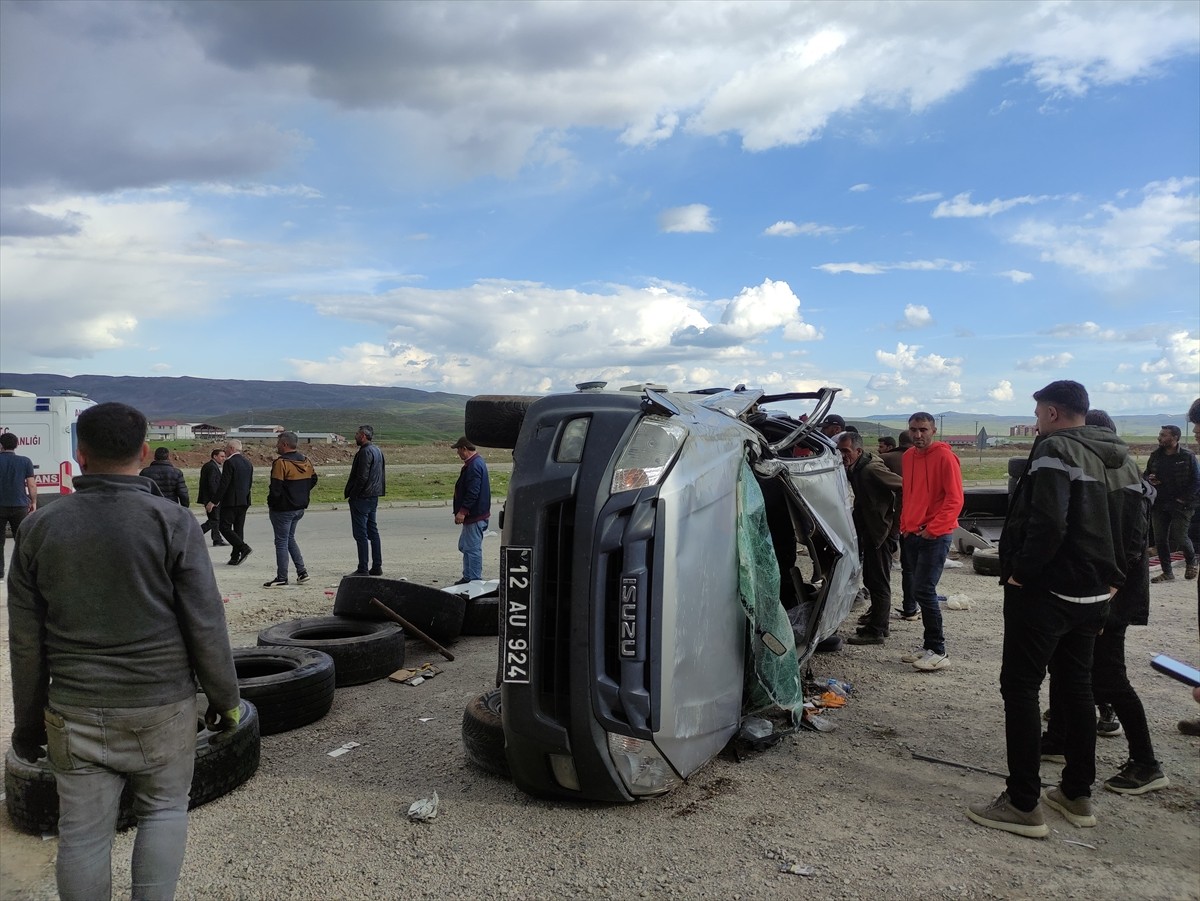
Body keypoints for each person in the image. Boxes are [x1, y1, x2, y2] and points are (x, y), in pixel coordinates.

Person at [7, 401, 240, 900]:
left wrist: (27, 724)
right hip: (162, 707)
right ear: (143, 452)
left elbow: (25, 641)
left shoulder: (38, 527)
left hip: (74, 711)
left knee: (82, 835)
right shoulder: (172, 521)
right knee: (163, 811)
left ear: (79, 454)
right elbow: (206, 624)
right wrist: (225, 700)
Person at [967, 381, 1141, 839]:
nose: (1037, 422)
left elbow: (1048, 521)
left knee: (1020, 688)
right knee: (1077, 686)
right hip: (1094, 595)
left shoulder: (1054, 450)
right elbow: (1136, 526)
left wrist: (1021, 573)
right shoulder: (1123, 457)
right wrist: (1115, 579)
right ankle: (1076, 793)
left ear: (1050, 412)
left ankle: (1023, 803)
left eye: (1037, 414)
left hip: (1045, 592)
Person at [1041, 409, 1167, 794]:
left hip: (1111, 599)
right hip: (1092, 593)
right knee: (1065, 665)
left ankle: (1146, 763)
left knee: (1109, 677)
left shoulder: (1124, 480)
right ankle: (1059, 737)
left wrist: (1106, 595)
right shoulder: (1103, 474)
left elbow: (1131, 548)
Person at [897, 411, 962, 670]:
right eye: (913, 429)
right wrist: (905, 525)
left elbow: (955, 499)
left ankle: (938, 650)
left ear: (933, 430)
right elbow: (909, 494)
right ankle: (928, 647)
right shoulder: (908, 457)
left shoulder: (945, 457)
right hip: (912, 533)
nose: (918, 434)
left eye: (923, 429)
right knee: (918, 589)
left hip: (935, 535)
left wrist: (933, 529)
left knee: (924, 590)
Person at [839, 432, 903, 646]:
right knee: (871, 579)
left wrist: (894, 526)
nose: (842, 455)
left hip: (880, 533)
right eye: (839, 451)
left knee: (878, 582)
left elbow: (904, 487)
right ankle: (878, 624)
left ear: (858, 451)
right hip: (871, 531)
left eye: (846, 451)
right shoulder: (856, 467)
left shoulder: (871, 469)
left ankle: (877, 631)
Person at [1144, 424, 1199, 582]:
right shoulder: (1155, 455)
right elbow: (1146, 474)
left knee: (1180, 536)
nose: (1159, 437)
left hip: (1182, 505)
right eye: (1160, 434)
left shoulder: (1187, 456)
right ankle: (1167, 573)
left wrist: (1183, 498)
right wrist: (1149, 478)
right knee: (1160, 540)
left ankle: (1191, 562)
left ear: (1175, 437)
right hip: (1160, 504)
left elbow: (1196, 481)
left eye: (1163, 435)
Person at [264, 430, 317, 589]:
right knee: (289, 538)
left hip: (283, 509)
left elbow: (276, 488)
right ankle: (302, 572)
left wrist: (272, 503)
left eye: (278, 443)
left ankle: (282, 577)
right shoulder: (306, 460)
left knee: (281, 542)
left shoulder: (281, 463)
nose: (277, 446)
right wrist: (300, 493)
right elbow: (314, 479)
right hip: (299, 507)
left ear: (285, 444)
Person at [344, 424, 386, 576]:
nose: (355, 436)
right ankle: (377, 566)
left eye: (357, 434)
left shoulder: (365, 452)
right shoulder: (377, 450)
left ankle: (363, 568)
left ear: (363, 436)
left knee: (361, 534)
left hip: (362, 497)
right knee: (372, 531)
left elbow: (362, 477)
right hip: (373, 496)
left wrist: (354, 494)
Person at [452, 436, 491, 584]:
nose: (457, 453)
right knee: (465, 546)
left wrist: (463, 511)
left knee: (473, 549)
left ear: (464, 449)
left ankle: (474, 580)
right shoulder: (475, 462)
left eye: (458, 449)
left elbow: (473, 492)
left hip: (474, 515)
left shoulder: (474, 465)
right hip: (475, 514)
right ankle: (468, 576)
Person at [209, 438, 253, 565]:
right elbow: (249, 483)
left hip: (231, 501)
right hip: (244, 500)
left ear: (232, 449)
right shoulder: (248, 462)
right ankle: (235, 556)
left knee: (223, 527)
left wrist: (214, 501)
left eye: (226, 448)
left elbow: (224, 484)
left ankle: (243, 548)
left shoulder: (229, 462)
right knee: (238, 529)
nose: (225, 450)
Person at [0, 431, 37, 579]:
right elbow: (31, 485)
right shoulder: (25, 461)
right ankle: (24, 573)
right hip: (20, 505)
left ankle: (0, 573)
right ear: (17, 445)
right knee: (22, 540)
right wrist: (33, 502)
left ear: (1, 445)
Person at [196, 448, 228, 547]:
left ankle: (217, 539)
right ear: (215, 456)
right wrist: (215, 500)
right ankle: (195, 533)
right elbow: (212, 484)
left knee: (215, 519)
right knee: (214, 519)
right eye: (221, 456)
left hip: (210, 498)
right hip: (211, 498)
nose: (224, 458)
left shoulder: (210, 466)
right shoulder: (211, 467)